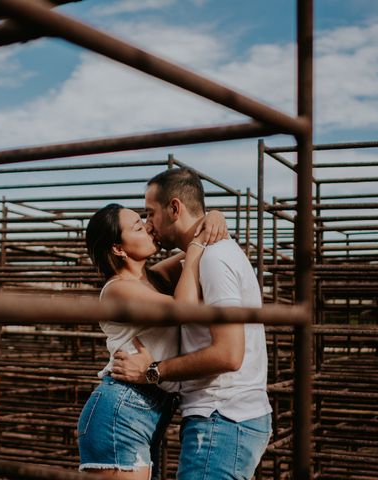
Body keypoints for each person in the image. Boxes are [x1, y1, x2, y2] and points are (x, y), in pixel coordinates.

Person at [111, 168, 272, 480]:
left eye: (150, 213)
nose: (148, 225)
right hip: (224, 417)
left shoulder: (213, 259)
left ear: (174, 208)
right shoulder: (201, 256)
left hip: (222, 416)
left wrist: (153, 370)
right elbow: (146, 278)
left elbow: (228, 354)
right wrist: (211, 218)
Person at [78, 203, 226, 480]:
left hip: (148, 410)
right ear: (118, 249)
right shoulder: (118, 290)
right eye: (137, 226)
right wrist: (195, 247)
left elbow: (201, 241)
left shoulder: (154, 277)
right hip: (120, 410)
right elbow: (184, 308)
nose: (148, 226)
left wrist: (213, 216)